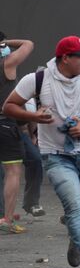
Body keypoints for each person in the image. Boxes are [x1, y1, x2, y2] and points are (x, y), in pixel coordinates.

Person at [3, 36, 80, 268]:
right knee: (74, 208)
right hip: (56, 157)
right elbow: (8, 107)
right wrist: (33, 115)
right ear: (65, 58)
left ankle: (77, 242)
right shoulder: (38, 80)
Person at [0, 32, 34, 233]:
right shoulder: (6, 64)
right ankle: (7, 220)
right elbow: (28, 43)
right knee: (13, 171)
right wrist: (5, 43)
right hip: (4, 124)